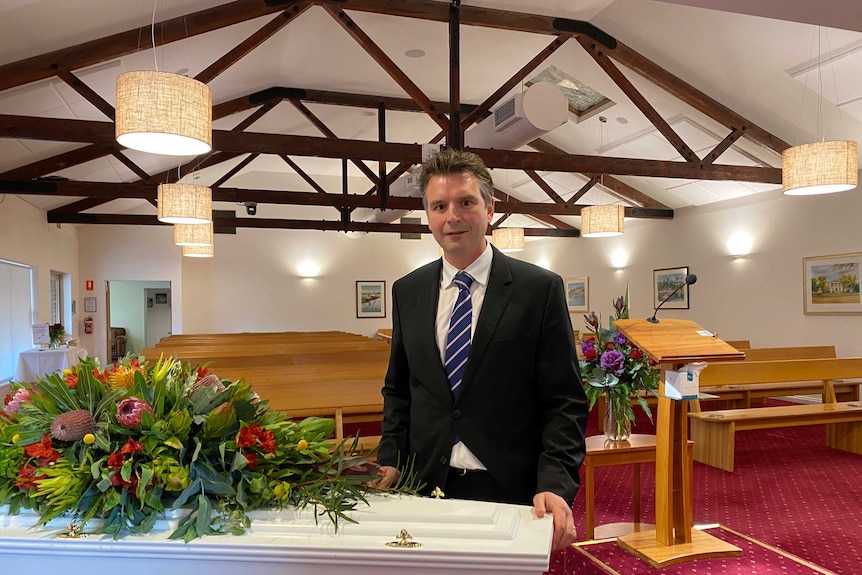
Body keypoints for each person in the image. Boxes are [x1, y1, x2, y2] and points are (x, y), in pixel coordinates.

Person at [370, 149, 588, 552]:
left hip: (508, 485)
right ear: (428, 216)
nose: (452, 215)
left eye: (465, 202)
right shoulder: (408, 291)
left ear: (490, 208)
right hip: (425, 483)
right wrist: (391, 456)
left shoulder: (538, 290)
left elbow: (565, 401)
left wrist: (555, 483)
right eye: (439, 206)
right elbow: (399, 390)